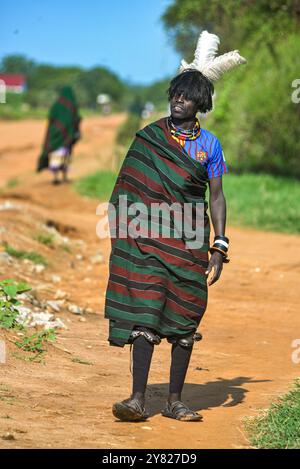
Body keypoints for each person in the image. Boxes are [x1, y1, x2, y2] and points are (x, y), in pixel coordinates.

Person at [104, 31, 246, 422]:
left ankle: (175, 401)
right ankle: (136, 399)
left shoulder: (210, 145)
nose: (178, 101)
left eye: (186, 97)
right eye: (174, 95)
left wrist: (220, 244)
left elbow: (216, 196)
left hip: (190, 242)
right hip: (147, 241)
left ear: (201, 103)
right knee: (146, 314)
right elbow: (127, 190)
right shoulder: (151, 138)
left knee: (185, 315)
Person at [37, 85, 81, 184]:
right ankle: (64, 177)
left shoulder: (56, 105)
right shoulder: (72, 106)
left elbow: (51, 118)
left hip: (55, 135)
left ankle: (55, 177)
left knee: (56, 155)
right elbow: (76, 120)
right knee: (66, 154)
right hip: (67, 136)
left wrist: (54, 130)